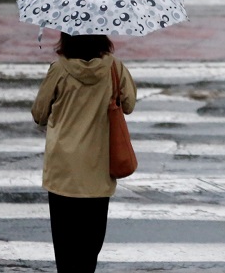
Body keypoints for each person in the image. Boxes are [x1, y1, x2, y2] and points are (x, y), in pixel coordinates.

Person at [31, 33, 137, 272]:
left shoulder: (58, 70)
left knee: (65, 248)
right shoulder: (115, 68)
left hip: (63, 172)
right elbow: (129, 105)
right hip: (98, 171)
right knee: (90, 248)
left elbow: (39, 113)